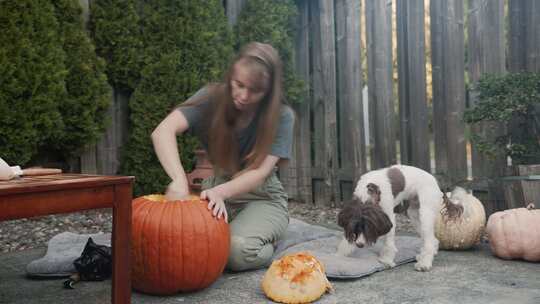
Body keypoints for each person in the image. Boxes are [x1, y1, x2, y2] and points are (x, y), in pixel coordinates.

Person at [151, 42, 295, 272]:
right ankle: (242, 231)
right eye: (239, 85)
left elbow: (259, 173)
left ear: (268, 92)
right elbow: (163, 131)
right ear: (231, 76)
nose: (244, 96)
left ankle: (267, 241)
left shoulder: (282, 115)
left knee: (235, 253)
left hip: (261, 197)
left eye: (255, 90)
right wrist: (179, 179)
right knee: (180, 248)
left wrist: (220, 193)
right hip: (215, 189)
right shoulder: (210, 97)